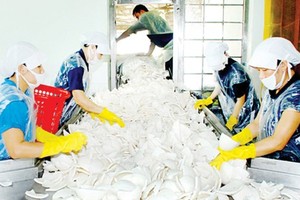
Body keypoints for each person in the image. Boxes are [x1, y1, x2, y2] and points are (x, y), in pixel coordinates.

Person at [210, 37, 300, 170]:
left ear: (283, 65)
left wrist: (240, 152)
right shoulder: (272, 88)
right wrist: (236, 140)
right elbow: (258, 124)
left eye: (265, 70)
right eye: (259, 71)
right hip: (272, 160)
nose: (261, 76)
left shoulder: (296, 95)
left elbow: (278, 141)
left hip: (292, 167)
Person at [0, 42, 87, 160]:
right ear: (22, 68)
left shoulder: (18, 90)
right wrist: (61, 145)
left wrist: (49, 138)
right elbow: (16, 150)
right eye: (38, 67)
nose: (43, 71)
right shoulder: (13, 102)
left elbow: (23, 125)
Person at [54, 32, 125, 128]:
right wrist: (103, 112)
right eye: (100, 54)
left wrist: (91, 110)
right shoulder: (77, 65)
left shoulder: (81, 61)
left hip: (65, 113)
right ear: (92, 47)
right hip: (58, 116)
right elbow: (79, 98)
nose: (101, 57)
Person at [194, 42, 260, 133]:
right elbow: (220, 85)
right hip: (234, 108)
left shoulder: (237, 74)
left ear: (225, 55)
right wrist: (209, 99)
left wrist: (233, 118)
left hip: (246, 112)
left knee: (243, 137)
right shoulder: (220, 68)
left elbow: (241, 100)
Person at [116, 4, 173, 79]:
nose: (138, 20)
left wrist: (117, 40)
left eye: (137, 16)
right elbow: (153, 41)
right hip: (171, 48)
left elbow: (130, 30)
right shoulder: (154, 19)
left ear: (142, 11)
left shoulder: (146, 16)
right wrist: (148, 55)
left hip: (171, 48)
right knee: (169, 74)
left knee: (170, 74)